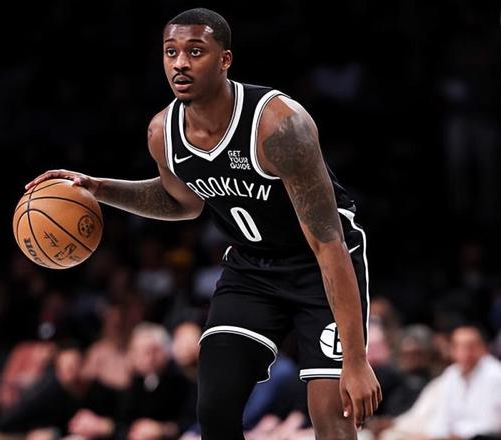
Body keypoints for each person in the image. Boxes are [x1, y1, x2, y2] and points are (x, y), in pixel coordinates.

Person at [26, 7, 381, 439]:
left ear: (225, 59)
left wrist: (356, 361)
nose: (180, 63)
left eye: (195, 51)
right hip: (251, 268)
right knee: (214, 408)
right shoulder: (163, 133)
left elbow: (329, 243)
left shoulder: (280, 126)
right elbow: (183, 202)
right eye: (170, 52)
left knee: (331, 417)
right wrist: (99, 188)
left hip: (318, 266)